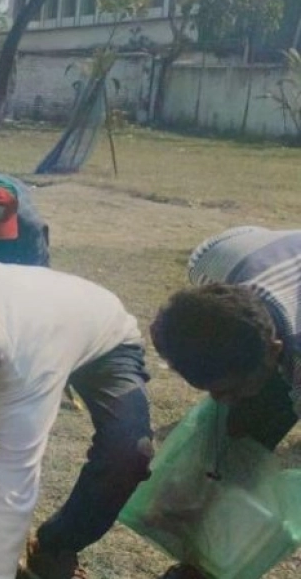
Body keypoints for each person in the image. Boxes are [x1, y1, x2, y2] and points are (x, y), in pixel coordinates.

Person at [0, 258, 152, 579]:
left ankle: (54, 549)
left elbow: (16, 482)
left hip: (104, 339)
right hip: (39, 316)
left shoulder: (29, 371)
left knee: (129, 451)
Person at [148, 227, 301, 579]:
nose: (221, 401)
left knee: (251, 433)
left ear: (273, 353)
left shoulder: (295, 360)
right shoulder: (209, 271)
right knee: (233, 432)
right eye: (211, 389)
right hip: (243, 249)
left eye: (231, 388)